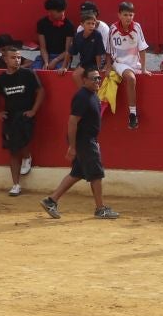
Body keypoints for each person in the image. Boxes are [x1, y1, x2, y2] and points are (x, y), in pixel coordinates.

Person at [42, 65, 117, 218]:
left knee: (77, 172)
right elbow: (72, 122)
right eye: (94, 78)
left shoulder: (92, 94)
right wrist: (72, 146)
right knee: (96, 174)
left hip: (88, 140)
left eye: (98, 78)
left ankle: (51, 200)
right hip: (85, 141)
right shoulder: (83, 97)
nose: (97, 80)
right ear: (84, 81)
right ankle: (100, 208)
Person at [0, 42, 43, 196]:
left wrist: (33, 110)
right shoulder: (1, 79)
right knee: (13, 150)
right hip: (10, 116)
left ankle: (27, 156)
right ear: (5, 59)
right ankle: (16, 184)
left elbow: (40, 91)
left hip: (25, 115)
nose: (17, 60)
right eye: (13, 58)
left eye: (19, 58)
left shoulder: (28, 74)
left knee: (22, 142)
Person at [105, 0, 149, 127]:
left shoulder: (137, 27)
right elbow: (108, 51)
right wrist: (108, 67)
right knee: (130, 78)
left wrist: (144, 69)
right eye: (125, 15)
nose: (128, 17)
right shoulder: (112, 29)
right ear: (119, 15)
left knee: (132, 77)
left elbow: (142, 48)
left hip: (135, 64)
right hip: (119, 63)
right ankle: (133, 114)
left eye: (131, 15)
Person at [36, 0, 75, 70]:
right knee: (35, 70)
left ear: (62, 11)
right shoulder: (42, 23)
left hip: (62, 57)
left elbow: (68, 50)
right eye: (49, 12)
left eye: (53, 13)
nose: (50, 14)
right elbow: (43, 47)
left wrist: (55, 60)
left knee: (59, 72)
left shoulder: (69, 25)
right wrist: (46, 62)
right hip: (46, 55)